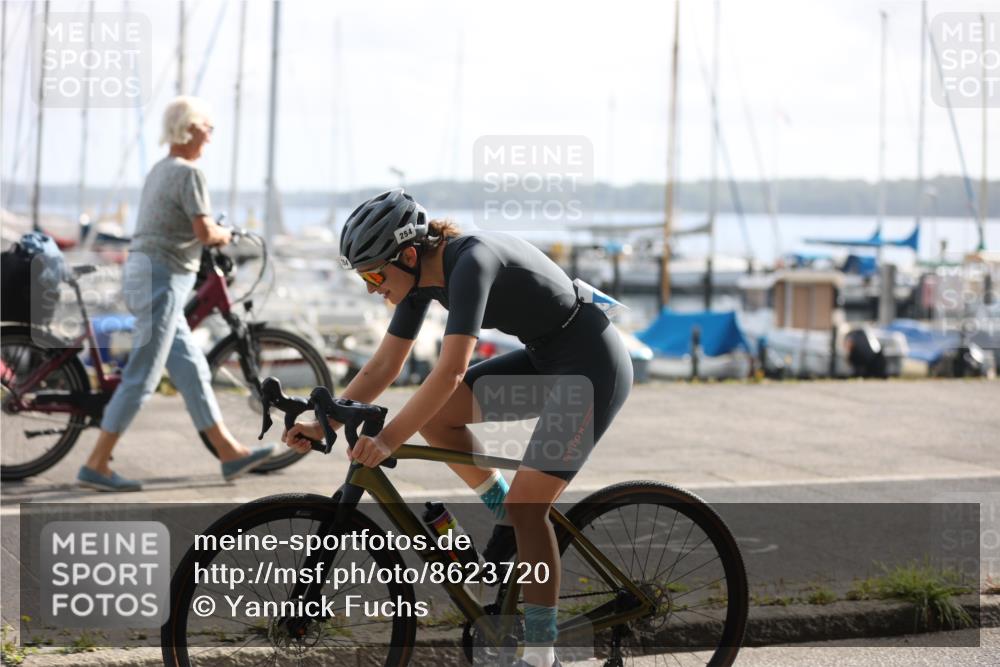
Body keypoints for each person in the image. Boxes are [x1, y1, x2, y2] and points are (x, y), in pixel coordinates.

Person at [282, 189, 632, 667]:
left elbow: (449, 371)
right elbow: (384, 364)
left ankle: (541, 653)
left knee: (532, 506)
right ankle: (502, 509)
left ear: (406, 254)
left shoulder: (470, 263)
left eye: (374, 274)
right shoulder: (419, 280)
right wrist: (329, 421)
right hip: (545, 359)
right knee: (443, 422)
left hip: (591, 366)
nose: (370, 287)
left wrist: (387, 439)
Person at [77, 96, 274, 492]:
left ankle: (230, 454)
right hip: (163, 281)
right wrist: (229, 234)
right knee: (143, 377)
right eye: (207, 127)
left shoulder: (159, 169)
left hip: (143, 274)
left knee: (192, 369)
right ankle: (96, 464)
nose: (210, 135)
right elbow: (204, 233)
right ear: (189, 128)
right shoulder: (189, 173)